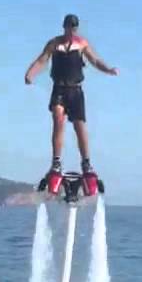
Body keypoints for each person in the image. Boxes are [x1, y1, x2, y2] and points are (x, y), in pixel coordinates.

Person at [24, 13, 118, 177]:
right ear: (64, 27)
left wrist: (108, 70)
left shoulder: (81, 44)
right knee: (58, 120)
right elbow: (42, 60)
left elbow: (95, 61)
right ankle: (56, 162)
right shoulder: (54, 44)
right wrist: (30, 74)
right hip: (59, 88)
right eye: (69, 28)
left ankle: (86, 162)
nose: (71, 32)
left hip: (75, 90)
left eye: (74, 29)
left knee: (79, 125)